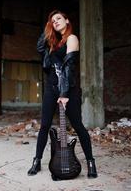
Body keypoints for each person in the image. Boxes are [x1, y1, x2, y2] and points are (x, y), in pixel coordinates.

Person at [27, 10, 98, 178]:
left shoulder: (72, 38)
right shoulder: (53, 43)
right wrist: (47, 29)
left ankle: (90, 162)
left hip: (69, 90)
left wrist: (64, 92)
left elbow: (68, 67)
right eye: (52, 20)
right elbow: (39, 47)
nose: (56, 22)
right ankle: (37, 161)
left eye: (58, 18)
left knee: (78, 126)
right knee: (44, 125)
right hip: (51, 89)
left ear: (67, 20)